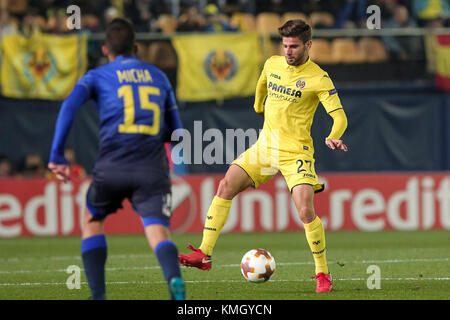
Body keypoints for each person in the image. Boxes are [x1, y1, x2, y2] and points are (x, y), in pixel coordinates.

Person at [179, 19, 348, 293]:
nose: (288, 51)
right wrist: (259, 106)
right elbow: (261, 87)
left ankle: (322, 274)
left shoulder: (319, 77)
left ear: (308, 45)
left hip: (296, 154)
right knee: (225, 185)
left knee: (305, 210)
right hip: (265, 148)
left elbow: (339, 116)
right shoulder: (272, 63)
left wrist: (334, 134)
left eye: (294, 46)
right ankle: (204, 253)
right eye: (285, 46)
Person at [48, 18, 185, 300]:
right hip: (151, 168)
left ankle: (98, 294)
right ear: (136, 47)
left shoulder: (96, 76)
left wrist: (57, 154)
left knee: (92, 218)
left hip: (111, 166)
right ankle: (174, 282)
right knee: (158, 231)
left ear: (107, 51)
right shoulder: (159, 77)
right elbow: (177, 133)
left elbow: (69, 105)